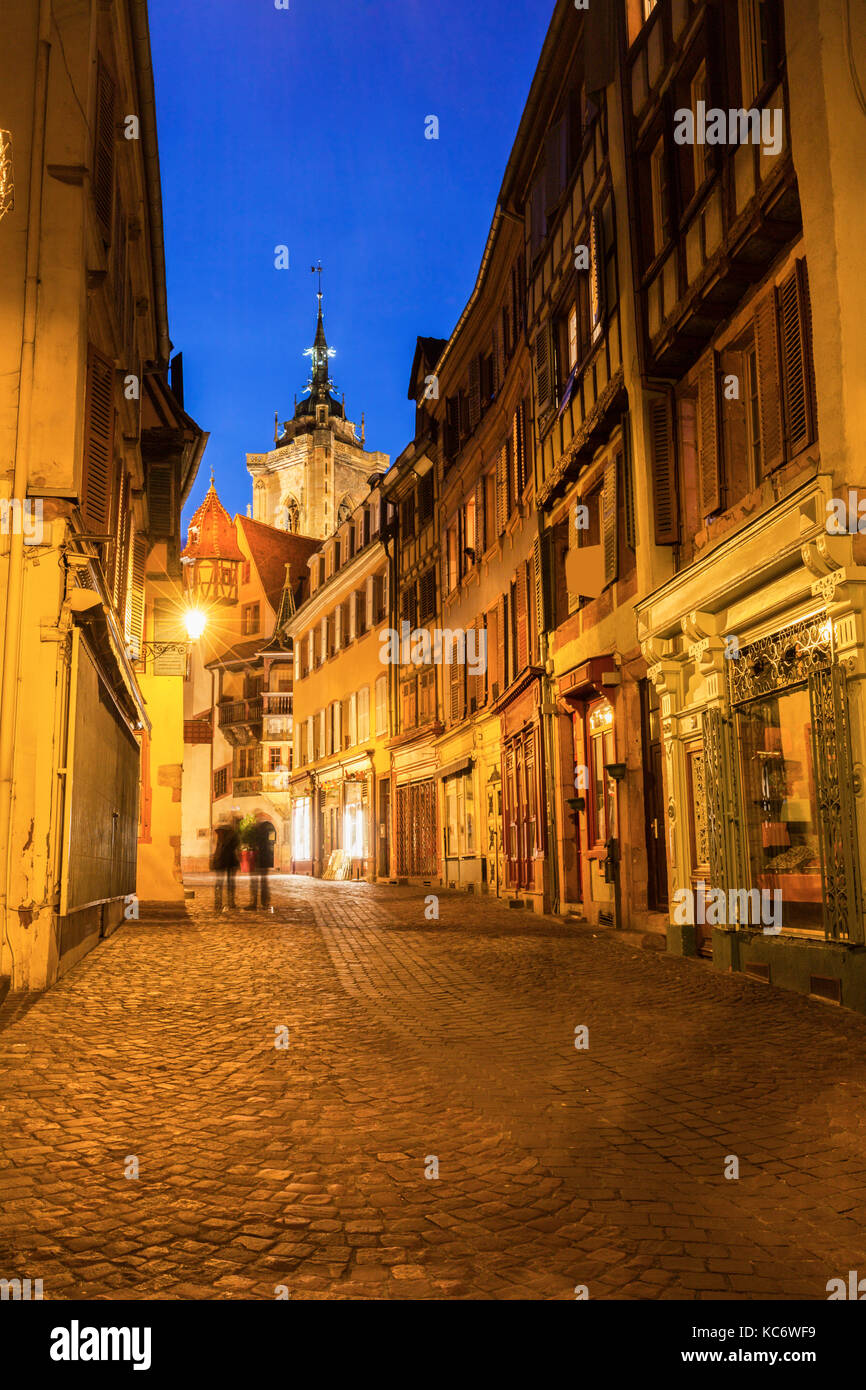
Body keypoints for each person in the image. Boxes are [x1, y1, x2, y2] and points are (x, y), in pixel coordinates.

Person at [247, 811, 274, 910]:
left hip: (256, 857)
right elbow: (272, 841)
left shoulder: (254, 828)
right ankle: (265, 903)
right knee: (264, 882)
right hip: (266, 858)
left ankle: (253, 903)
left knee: (254, 881)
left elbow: (250, 842)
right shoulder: (269, 827)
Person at [212, 816, 240, 912]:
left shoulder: (220, 835)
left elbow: (218, 848)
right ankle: (231, 902)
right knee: (230, 883)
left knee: (219, 883)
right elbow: (235, 848)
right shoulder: (234, 835)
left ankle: (217, 903)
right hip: (230, 861)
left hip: (220, 860)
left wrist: (215, 859)